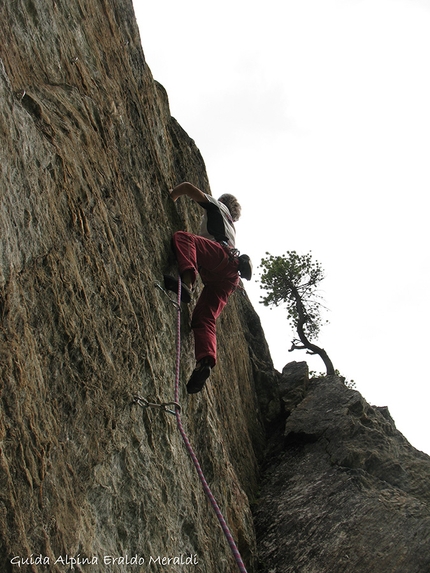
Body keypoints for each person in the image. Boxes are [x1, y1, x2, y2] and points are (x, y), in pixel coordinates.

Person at [164, 181, 251, 394]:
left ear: (222, 202)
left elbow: (187, 187)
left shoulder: (218, 207)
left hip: (219, 259)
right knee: (204, 318)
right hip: (229, 277)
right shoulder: (231, 227)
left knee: (184, 238)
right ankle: (204, 362)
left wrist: (171, 196)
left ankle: (187, 284)